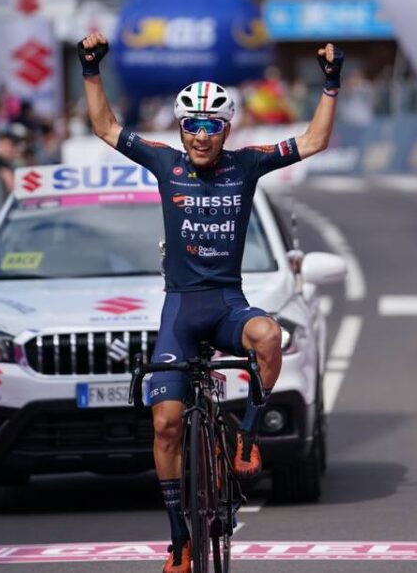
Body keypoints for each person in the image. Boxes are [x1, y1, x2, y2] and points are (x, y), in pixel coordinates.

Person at [77, 31, 342, 573]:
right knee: (167, 424)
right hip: (180, 309)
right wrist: (89, 68)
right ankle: (179, 538)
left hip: (225, 305)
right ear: (180, 129)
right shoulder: (164, 163)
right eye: (191, 126)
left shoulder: (245, 165)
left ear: (228, 129)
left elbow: (312, 142)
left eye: (212, 126)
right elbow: (104, 126)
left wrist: (331, 83)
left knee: (270, 336)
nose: (200, 136)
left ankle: (244, 437)